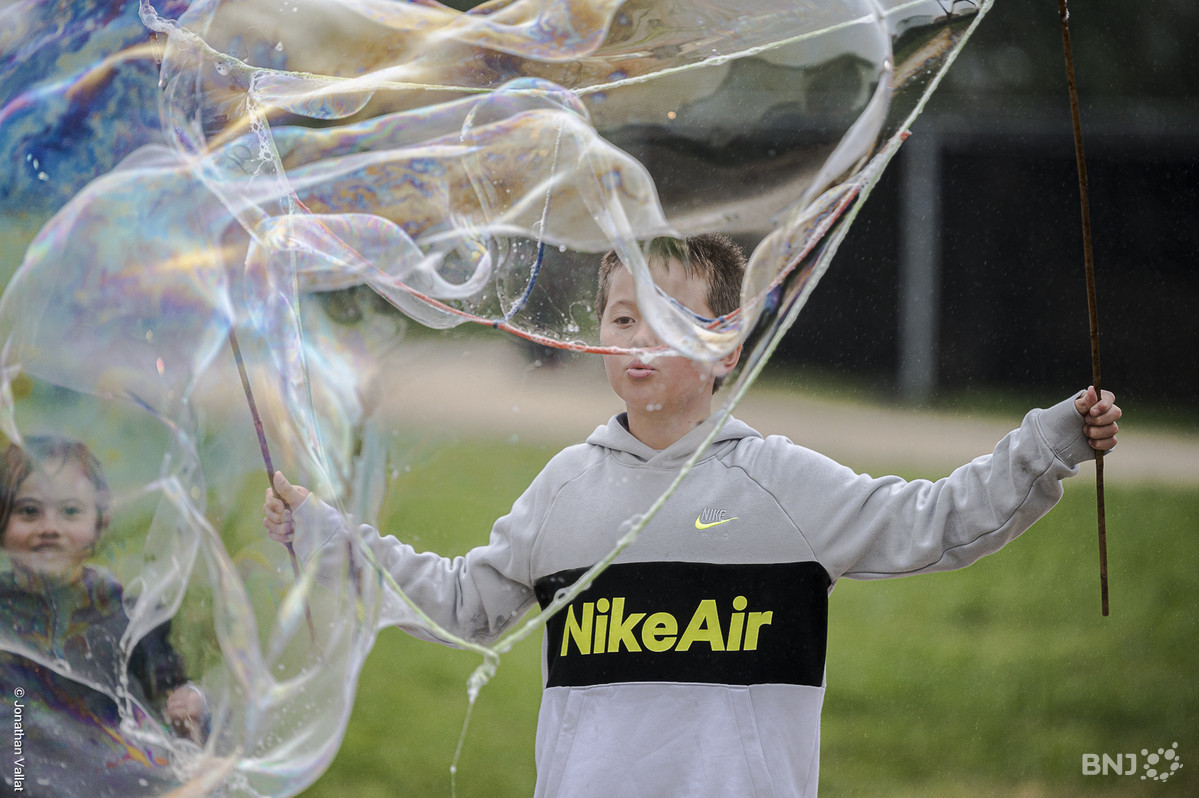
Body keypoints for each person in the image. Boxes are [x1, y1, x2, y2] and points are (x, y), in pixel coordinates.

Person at [263, 234, 1121, 798]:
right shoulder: (563, 490)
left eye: (669, 319)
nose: (638, 337)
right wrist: (326, 537)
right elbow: (462, 602)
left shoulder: (780, 484)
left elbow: (935, 521)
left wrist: (1050, 442)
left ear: (726, 350)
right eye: (621, 316)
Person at [0, 436, 207, 795]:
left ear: (100, 523)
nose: (49, 527)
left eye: (70, 512)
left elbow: (171, 701)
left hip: (114, 783)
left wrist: (191, 706)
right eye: (29, 511)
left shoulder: (131, 616)